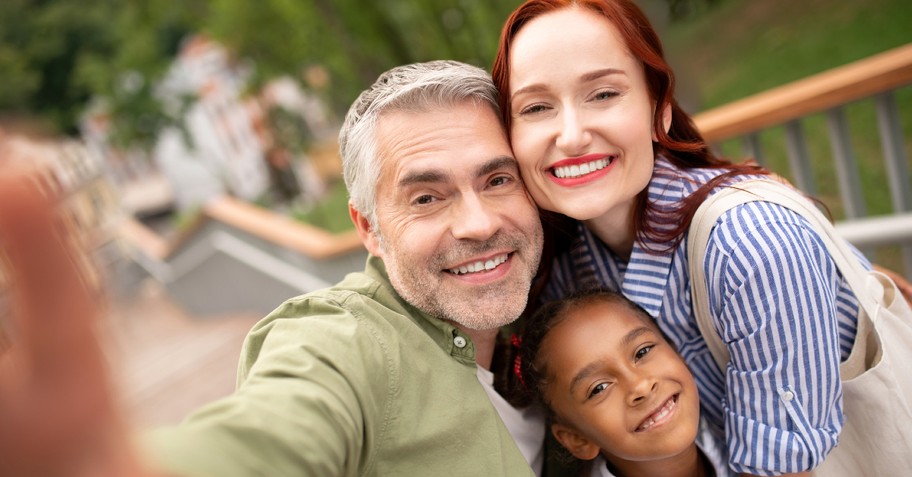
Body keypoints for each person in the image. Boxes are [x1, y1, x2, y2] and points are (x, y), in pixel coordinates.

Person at [0, 60, 547, 476]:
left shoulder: (560, 298)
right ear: (367, 229)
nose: (478, 223)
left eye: (497, 180)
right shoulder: (348, 345)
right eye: (426, 198)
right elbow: (279, 429)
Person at [492, 0, 880, 475]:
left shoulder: (752, 245)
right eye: (536, 107)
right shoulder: (564, 271)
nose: (571, 136)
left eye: (603, 94)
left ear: (660, 110)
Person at [517, 288, 731, 477]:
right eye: (599, 388)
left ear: (676, 350)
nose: (640, 386)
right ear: (577, 439)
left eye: (642, 352)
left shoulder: (738, 426)